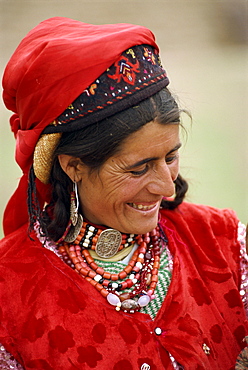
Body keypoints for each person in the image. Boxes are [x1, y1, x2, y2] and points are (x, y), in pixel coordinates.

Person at [0, 17, 247, 370]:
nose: (165, 187)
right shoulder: (9, 293)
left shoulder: (223, 243)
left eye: (171, 157)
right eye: (138, 168)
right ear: (73, 166)